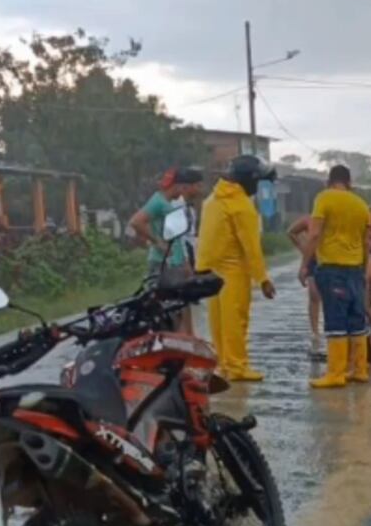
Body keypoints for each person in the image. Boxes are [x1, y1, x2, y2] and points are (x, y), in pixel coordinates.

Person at [196, 155, 276, 382]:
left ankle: (223, 364)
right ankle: (237, 366)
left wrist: (200, 269)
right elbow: (251, 248)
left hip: (210, 272)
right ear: (248, 180)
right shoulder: (241, 206)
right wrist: (263, 279)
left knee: (218, 322)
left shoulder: (213, 200)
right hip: (233, 271)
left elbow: (205, 239)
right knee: (235, 320)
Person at [300, 163, 371, 389]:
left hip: (332, 268)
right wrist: (364, 267)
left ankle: (336, 373)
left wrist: (304, 265)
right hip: (356, 269)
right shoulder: (361, 205)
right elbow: (366, 242)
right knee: (356, 319)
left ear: (329, 181)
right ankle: (360, 370)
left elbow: (314, 234)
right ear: (349, 182)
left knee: (335, 319)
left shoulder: (324, 198)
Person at [130, 166, 204, 332]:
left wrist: (185, 261)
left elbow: (177, 236)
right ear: (178, 185)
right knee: (165, 307)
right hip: (162, 262)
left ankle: (187, 340)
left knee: (182, 303)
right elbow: (136, 222)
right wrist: (158, 242)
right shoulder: (158, 202)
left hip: (175, 261)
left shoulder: (169, 203)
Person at [287, 213, 323, 351]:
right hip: (314, 259)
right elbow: (291, 232)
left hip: (331, 258)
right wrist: (304, 248)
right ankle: (315, 331)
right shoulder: (310, 219)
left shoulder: (335, 217)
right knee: (314, 295)